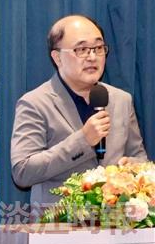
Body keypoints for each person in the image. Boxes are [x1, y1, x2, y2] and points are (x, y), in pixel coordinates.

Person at [10, 15, 146, 209]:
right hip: (58, 226)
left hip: (116, 224)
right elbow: (22, 172)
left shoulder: (121, 99)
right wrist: (83, 140)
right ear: (57, 57)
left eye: (98, 48)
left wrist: (131, 167)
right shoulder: (34, 103)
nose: (92, 57)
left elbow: (139, 158)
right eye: (81, 49)